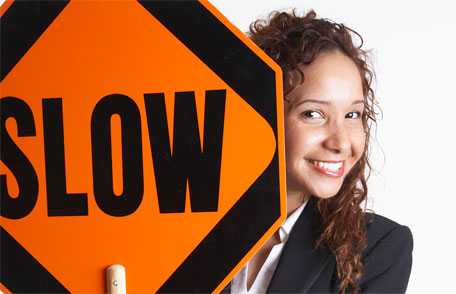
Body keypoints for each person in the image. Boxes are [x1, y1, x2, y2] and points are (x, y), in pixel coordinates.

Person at [224, 10, 413, 293]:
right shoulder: (184, 231)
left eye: (353, 115)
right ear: (260, 116)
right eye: (313, 113)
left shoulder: (377, 248)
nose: (340, 142)